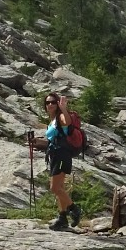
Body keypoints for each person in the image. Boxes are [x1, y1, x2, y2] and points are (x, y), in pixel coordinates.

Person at [42, 92, 82, 230]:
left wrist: (63, 108)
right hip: (55, 155)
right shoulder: (52, 121)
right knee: (60, 189)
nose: (50, 105)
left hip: (61, 155)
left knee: (55, 188)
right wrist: (37, 142)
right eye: (48, 103)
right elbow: (53, 140)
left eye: (53, 102)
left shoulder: (60, 116)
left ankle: (74, 209)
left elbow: (67, 122)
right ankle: (62, 218)